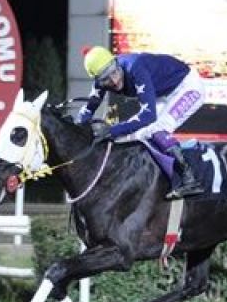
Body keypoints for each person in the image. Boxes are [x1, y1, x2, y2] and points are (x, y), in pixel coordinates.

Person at [79, 46, 205, 199]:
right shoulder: (102, 80)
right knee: (138, 135)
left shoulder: (135, 67)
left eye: (114, 72)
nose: (114, 81)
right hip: (163, 94)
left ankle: (190, 179)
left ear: (116, 62)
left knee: (157, 129)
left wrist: (111, 131)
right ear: (98, 81)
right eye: (106, 79)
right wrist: (79, 128)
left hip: (188, 86)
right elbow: (87, 110)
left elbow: (148, 116)